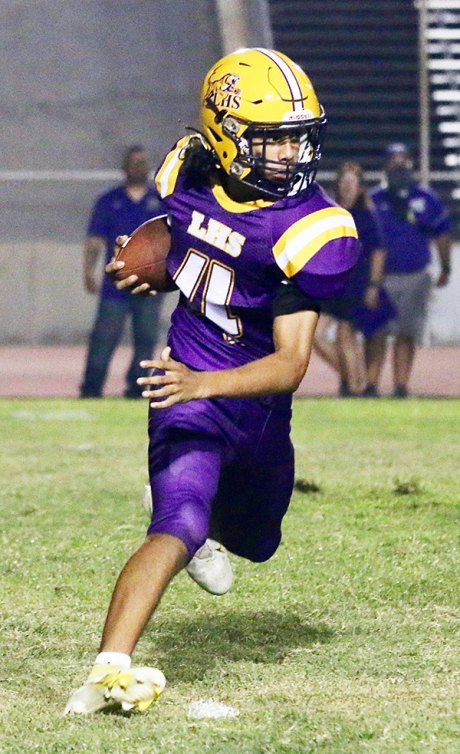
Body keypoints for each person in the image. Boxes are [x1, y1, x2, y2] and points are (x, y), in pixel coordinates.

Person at [65, 47, 361, 716]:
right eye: (272, 138)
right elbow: (181, 238)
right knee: (178, 519)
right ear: (225, 136)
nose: (289, 153)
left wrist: (208, 384)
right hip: (184, 389)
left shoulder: (311, 229)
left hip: (252, 407)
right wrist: (149, 259)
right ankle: (107, 672)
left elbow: (290, 365)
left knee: (258, 543)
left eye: (296, 137)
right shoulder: (188, 175)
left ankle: (215, 535)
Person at [365, 142, 452, 398]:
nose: (399, 164)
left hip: (415, 275)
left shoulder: (426, 198)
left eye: (403, 158)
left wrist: (445, 265)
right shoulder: (374, 199)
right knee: (377, 332)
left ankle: (401, 385)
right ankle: (371, 384)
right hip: (381, 277)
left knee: (406, 332)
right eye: (394, 159)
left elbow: (442, 233)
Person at [80, 145, 165, 398]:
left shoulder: (159, 201)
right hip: (115, 286)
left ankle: (136, 390)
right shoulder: (109, 201)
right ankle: (91, 389)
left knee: (146, 340)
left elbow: (173, 238)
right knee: (103, 339)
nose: (139, 167)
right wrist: (88, 271)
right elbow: (94, 240)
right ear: (124, 167)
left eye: (143, 163)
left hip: (149, 285)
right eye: (134, 162)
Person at [313, 161, 393, 396]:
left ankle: (356, 385)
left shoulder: (365, 215)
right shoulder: (329, 212)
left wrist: (374, 285)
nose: (348, 187)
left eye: (352, 183)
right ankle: (352, 378)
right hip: (332, 284)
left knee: (347, 334)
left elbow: (378, 251)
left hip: (355, 282)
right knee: (317, 336)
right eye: (344, 182)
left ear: (360, 188)